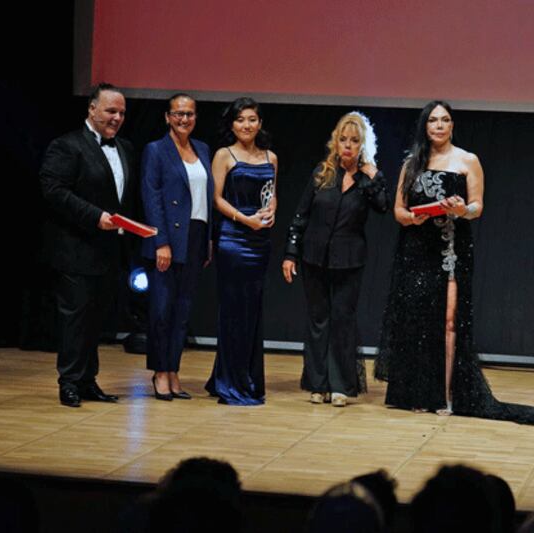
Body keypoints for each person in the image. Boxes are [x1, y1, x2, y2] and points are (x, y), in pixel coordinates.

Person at [374, 100, 534, 426]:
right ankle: (420, 394)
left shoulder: (468, 160)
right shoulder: (412, 163)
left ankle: (446, 395)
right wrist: (414, 218)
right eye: (433, 120)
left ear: (452, 125)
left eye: (444, 120)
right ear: (424, 126)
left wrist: (459, 211)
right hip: (416, 250)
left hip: (451, 249)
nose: (439, 126)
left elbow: (477, 207)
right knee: (418, 323)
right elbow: (399, 210)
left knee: (448, 323)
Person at [40, 83, 136, 407]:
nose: (117, 117)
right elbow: (53, 191)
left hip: (108, 254)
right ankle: (68, 381)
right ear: (92, 109)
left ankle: (87, 380)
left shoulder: (124, 148)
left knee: (95, 321)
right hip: (76, 251)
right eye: (111, 110)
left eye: (122, 112)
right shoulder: (67, 146)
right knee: (75, 320)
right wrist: (95, 216)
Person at [283, 112, 388, 407]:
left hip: (349, 260)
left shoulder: (370, 178)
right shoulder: (322, 173)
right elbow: (300, 216)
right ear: (335, 142)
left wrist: (371, 179)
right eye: (343, 140)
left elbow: (382, 207)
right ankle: (318, 384)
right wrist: (290, 253)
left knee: (343, 321)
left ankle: (341, 385)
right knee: (319, 321)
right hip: (314, 258)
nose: (348, 146)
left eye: (354, 141)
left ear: (363, 145)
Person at [205, 97, 277, 405]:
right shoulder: (224, 155)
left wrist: (271, 212)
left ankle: (247, 378)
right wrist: (243, 218)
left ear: (260, 123)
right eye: (240, 120)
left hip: (260, 241)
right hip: (233, 239)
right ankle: (229, 382)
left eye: (251, 119)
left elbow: (271, 196)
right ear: (232, 124)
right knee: (233, 312)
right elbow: (216, 198)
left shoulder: (270, 157)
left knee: (253, 311)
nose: (246, 125)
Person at [141, 93, 214, 401]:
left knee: (182, 311)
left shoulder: (203, 149)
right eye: (178, 114)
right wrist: (161, 242)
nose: (185, 119)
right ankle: (159, 372)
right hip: (167, 238)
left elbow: (205, 199)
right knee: (162, 309)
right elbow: (152, 196)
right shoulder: (156, 150)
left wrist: (209, 238)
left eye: (190, 114)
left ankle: (173, 370)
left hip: (196, 236)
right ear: (167, 117)